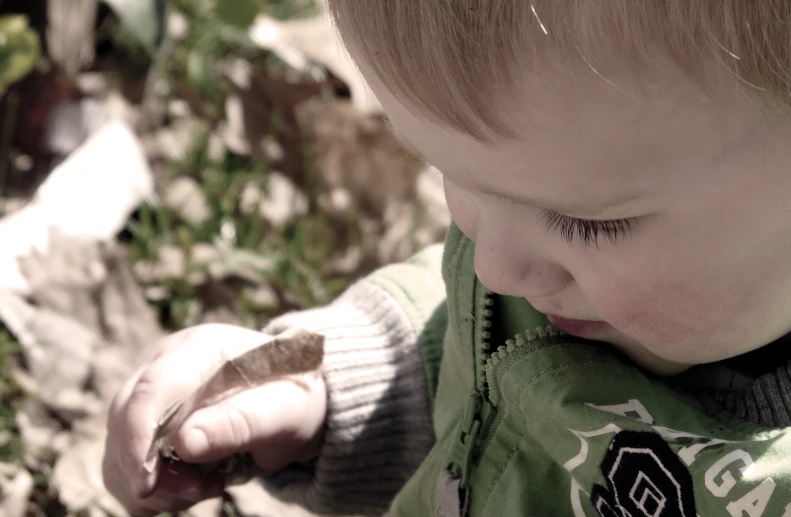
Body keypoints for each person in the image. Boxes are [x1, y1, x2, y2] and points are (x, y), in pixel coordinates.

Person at [103, 2, 791, 515]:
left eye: (584, 223)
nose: (493, 263)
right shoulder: (565, 285)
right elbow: (476, 362)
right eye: (453, 176)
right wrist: (335, 391)